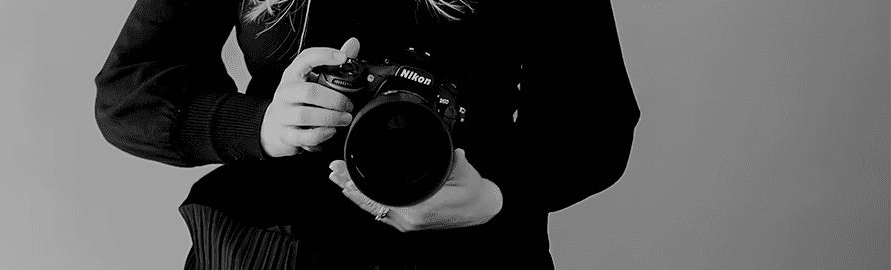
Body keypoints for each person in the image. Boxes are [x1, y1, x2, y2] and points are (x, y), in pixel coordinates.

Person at [94, 0, 639, 269]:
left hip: (476, 252)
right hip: (265, 246)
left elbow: (598, 120)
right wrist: (261, 124)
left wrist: (498, 193)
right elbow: (129, 92)